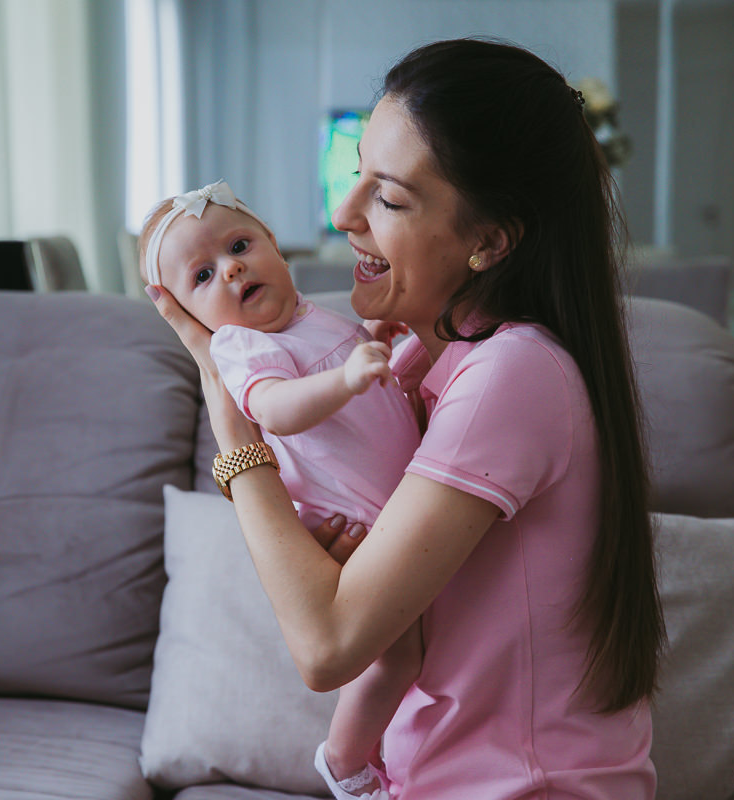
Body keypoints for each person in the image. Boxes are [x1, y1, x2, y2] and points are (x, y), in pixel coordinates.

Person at [145, 37, 666, 800]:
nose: (340, 213)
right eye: (357, 174)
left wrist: (233, 431)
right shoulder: (424, 362)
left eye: (387, 198)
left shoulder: (510, 374)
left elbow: (326, 648)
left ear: (490, 241)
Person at [138, 179, 422, 800]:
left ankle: (402, 758)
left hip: (398, 505)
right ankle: (344, 760)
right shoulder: (242, 347)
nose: (232, 268)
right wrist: (348, 379)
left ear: (275, 244)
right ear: (188, 315)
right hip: (356, 521)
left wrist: (378, 343)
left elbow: (365, 383)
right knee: (399, 657)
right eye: (203, 276)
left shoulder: (314, 315)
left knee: (423, 650)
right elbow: (279, 409)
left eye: (240, 244)